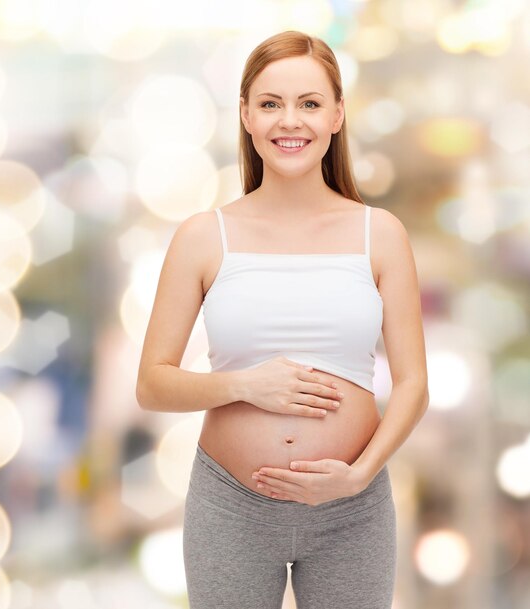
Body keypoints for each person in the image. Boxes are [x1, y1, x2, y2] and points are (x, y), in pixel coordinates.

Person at [136, 30, 429, 609]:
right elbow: (152, 383)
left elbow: (415, 385)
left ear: (338, 115)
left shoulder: (381, 234)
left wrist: (360, 475)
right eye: (270, 104)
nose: (289, 121)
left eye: (309, 104)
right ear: (245, 115)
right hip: (230, 506)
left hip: (353, 509)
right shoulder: (203, 236)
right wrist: (246, 385)